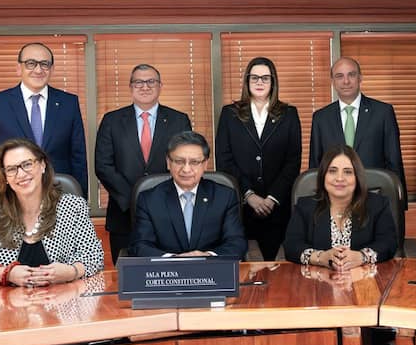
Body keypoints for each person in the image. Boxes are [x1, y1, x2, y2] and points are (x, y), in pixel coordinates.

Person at [0, 138, 105, 285]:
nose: (21, 174)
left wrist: (71, 272)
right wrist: (5, 274)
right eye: (11, 169)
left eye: (27, 164)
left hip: (61, 301)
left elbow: (94, 256)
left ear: (42, 165)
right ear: (5, 177)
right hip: (6, 303)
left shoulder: (73, 207)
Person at [95, 64, 192, 261]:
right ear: (130, 87)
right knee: (126, 278)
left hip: (169, 211)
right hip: (123, 214)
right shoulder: (112, 120)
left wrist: (157, 200)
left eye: (151, 82)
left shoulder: (179, 120)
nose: (145, 86)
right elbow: (103, 165)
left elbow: (186, 164)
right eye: (138, 82)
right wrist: (134, 199)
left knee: (169, 274)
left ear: (160, 86)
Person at [0, 43, 88, 195]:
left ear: (52, 69)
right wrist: (2, 194)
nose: (38, 70)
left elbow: (78, 159)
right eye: (31, 64)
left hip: (59, 196)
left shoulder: (69, 103)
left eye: (44, 64)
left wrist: (80, 200)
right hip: (12, 199)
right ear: (19, 68)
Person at [215, 57, 301, 260]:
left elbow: (293, 161)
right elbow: (224, 159)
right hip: (241, 206)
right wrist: (249, 195)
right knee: (243, 269)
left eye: (265, 78)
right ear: (247, 81)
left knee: (276, 269)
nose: (260, 82)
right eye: (254, 78)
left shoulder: (289, 114)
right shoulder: (230, 114)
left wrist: (272, 198)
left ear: (273, 82)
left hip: (277, 207)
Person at [130, 131, 247, 259]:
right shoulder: (149, 199)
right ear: (168, 163)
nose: (186, 169)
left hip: (212, 272)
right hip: (167, 273)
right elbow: (140, 245)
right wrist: (174, 260)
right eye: (179, 161)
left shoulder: (225, 196)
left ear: (205, 164)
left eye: (194, 162)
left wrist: (207, 256)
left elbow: (236, 242)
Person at [284, 145, 398, 269]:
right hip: (318, 282)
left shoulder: (378, 205)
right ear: (323, 176)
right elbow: (292, 246)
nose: (339, 178)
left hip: (366, 281)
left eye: (348, 172)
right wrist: (320, 257)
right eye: (332, 171)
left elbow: (388, 243)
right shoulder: (305, 206)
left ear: (357, 177)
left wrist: (362, 257)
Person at [309, 57, 406, 195]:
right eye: (339, 76)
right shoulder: (320, 118)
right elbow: (315, 166)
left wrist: (399, 202)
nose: (346, 81)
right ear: (333, 82)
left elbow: (394, 161)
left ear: (360, 78)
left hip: (375, 197)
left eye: (351, 75)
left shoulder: (383, 112)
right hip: (334, 199)